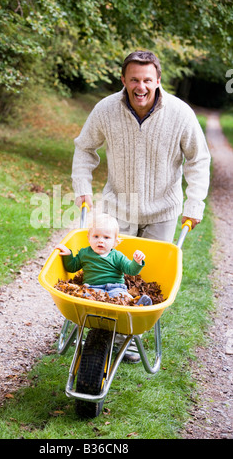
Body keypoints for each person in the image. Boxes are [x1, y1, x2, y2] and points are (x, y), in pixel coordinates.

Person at [71, 50, 211, 242]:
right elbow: (84, 147)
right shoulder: (105, 110)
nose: (141, 87)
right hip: (118, 212)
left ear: (158, 81)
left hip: (162, 214)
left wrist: (195, 203)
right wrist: (82, 187)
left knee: (152, 272)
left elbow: (198, 159)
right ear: (124, 80)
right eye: (134, 80)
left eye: (147, 80)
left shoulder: (181, 114)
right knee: (112, 271)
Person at [56, 213, 152, 305]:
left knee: (124, 298)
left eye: (106, 237)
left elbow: (131, 270)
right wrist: (68, 255)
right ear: (89, 238)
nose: (100, 240)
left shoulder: (117, 256)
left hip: (116, 287)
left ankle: (137, 304)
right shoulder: (84, 253)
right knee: (86, 297)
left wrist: (137, 261)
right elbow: (72, 267)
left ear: (115, 241)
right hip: (92, 287)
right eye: (96, 236)